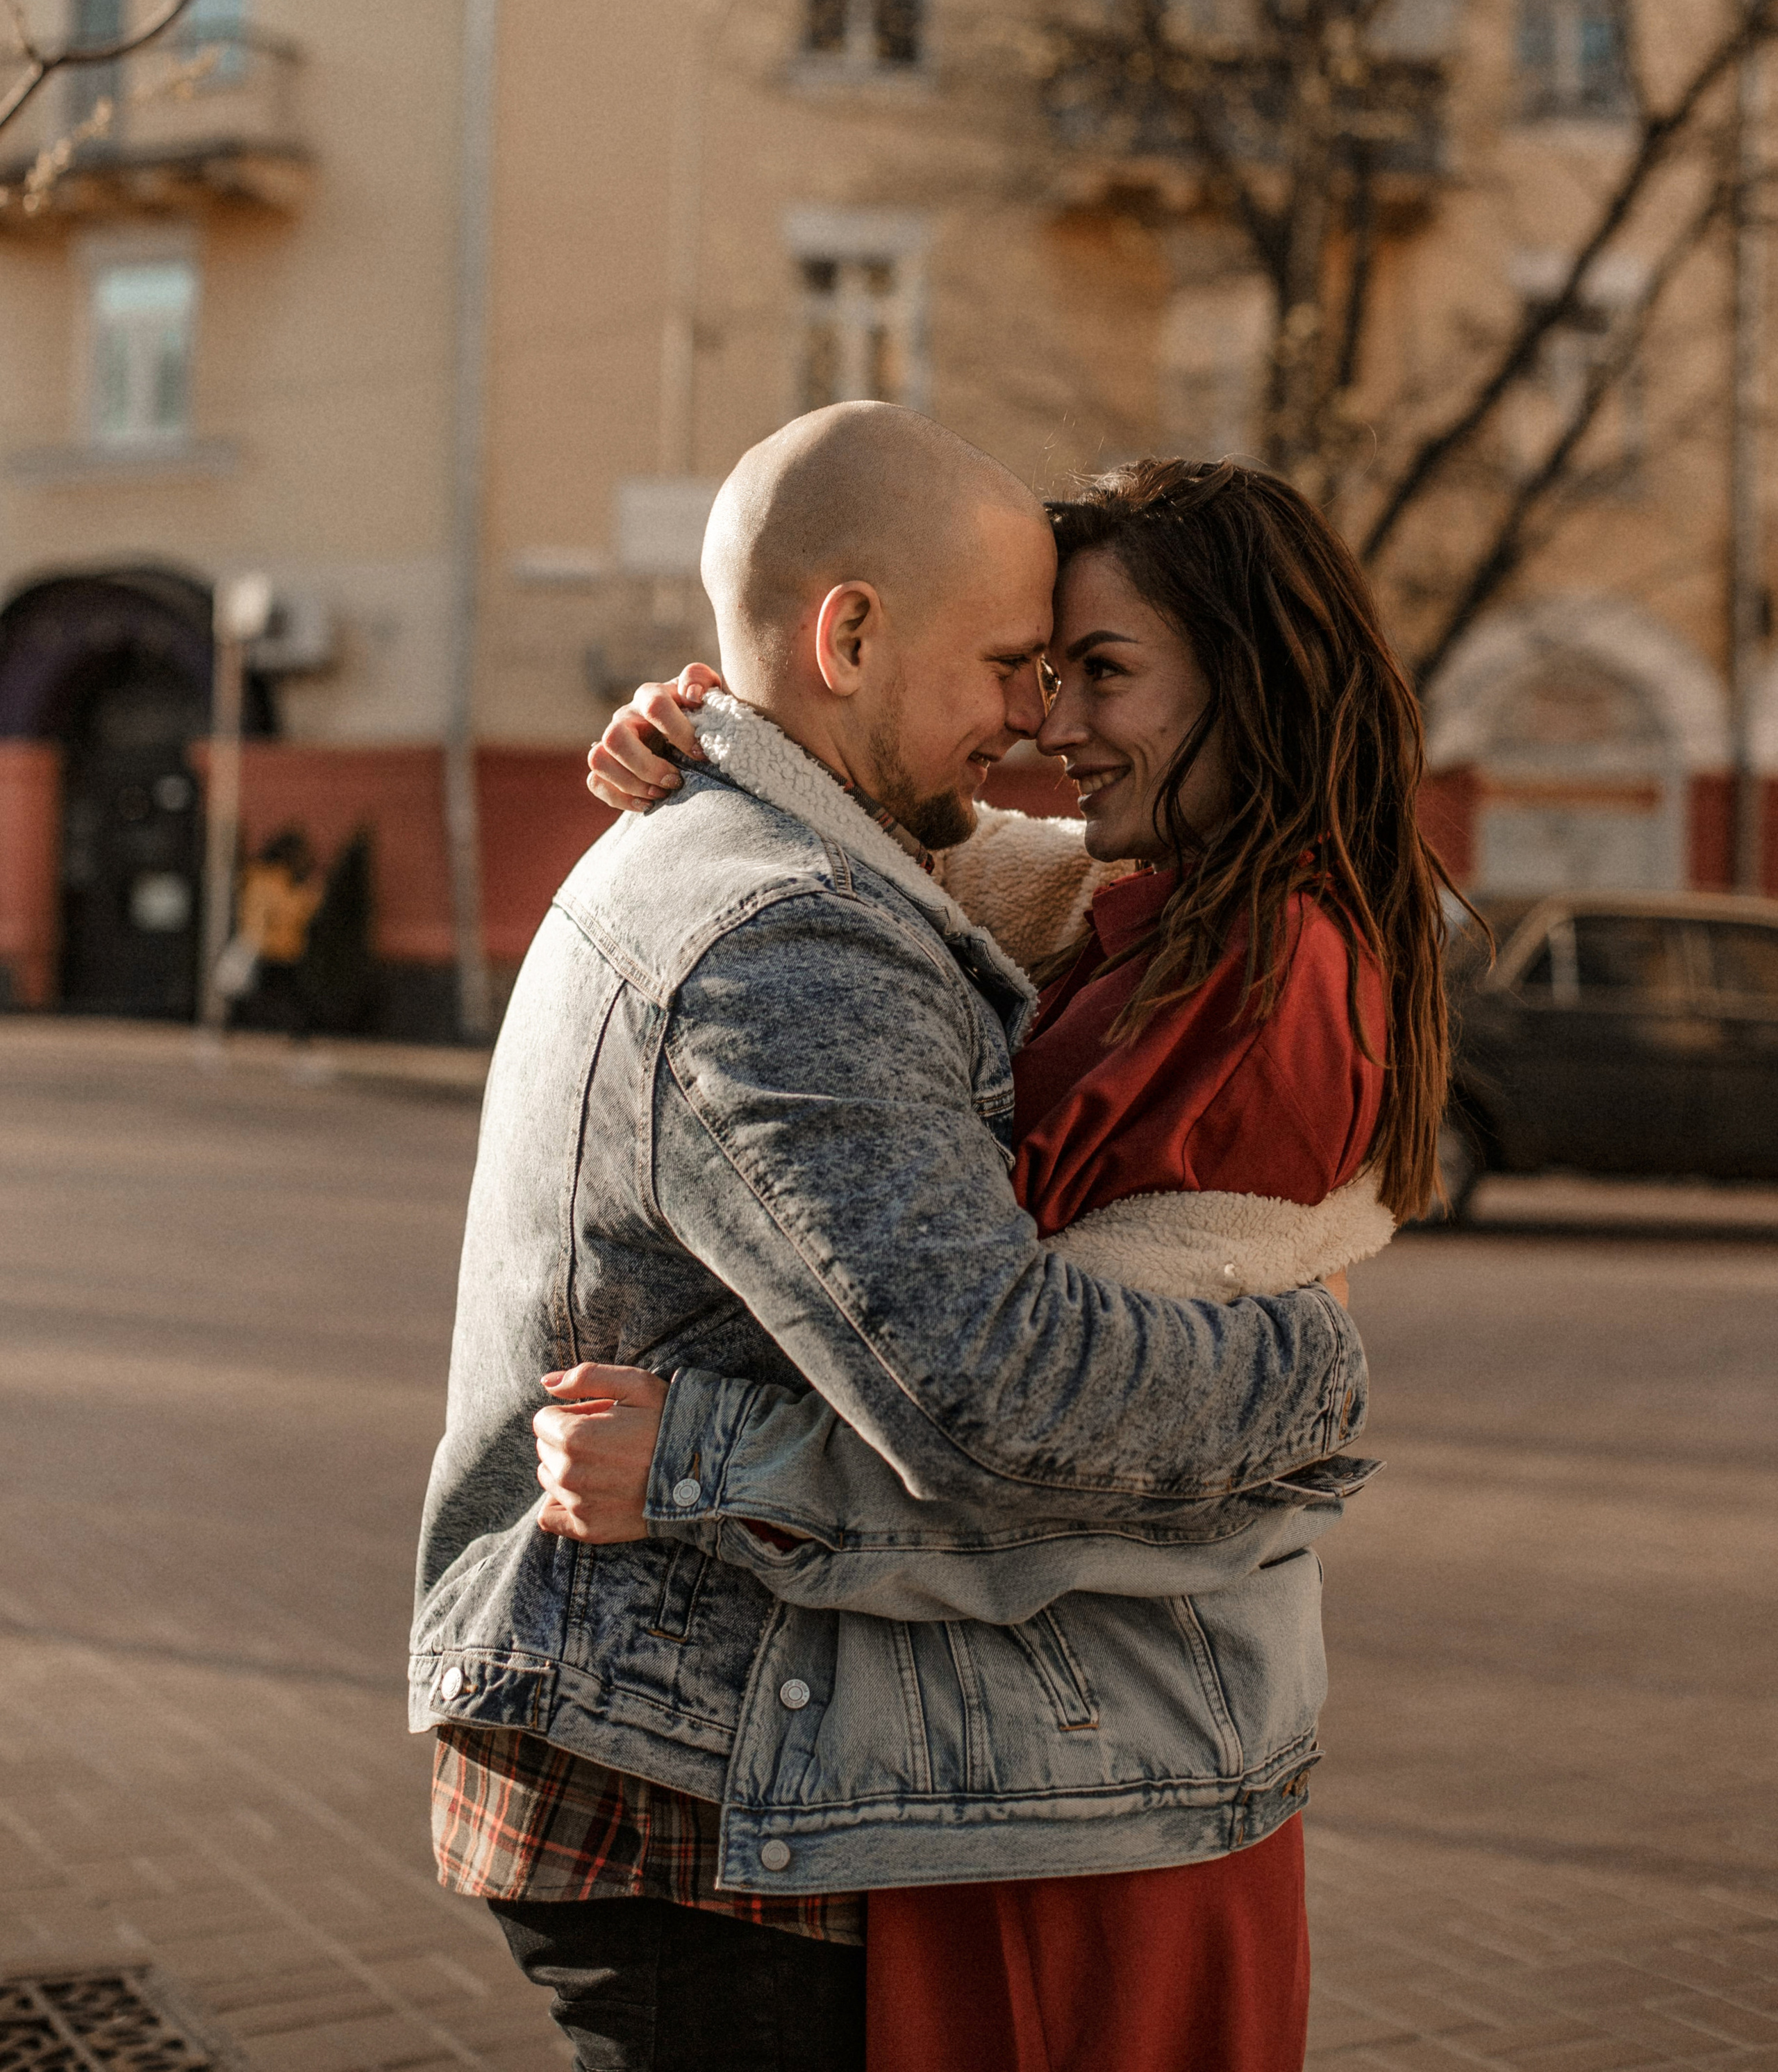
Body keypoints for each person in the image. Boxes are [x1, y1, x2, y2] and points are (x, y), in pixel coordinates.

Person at [412, 405, 1369, 2072]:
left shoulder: (797, 864)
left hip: (723, 1751)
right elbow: (1000, 1395)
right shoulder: (789, 937)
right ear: (847, 635)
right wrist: (1316, 1369)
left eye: (1079, 671)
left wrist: (707, 728)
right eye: (1012, 661)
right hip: (701, 1784)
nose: (1032, 717)